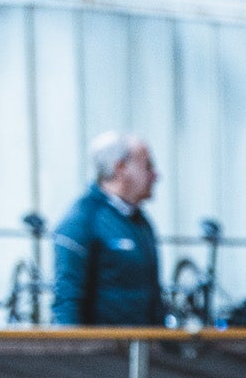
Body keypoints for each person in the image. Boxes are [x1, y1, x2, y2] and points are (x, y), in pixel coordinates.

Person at [52, 132, 164, 327]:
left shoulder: (140, 222)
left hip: (143, 343)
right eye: (147, 166)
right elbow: (67, 300)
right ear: (120, 168)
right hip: (103, 346)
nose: (155, 175)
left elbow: (153, 298)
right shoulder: (82, 220)